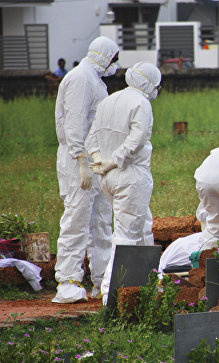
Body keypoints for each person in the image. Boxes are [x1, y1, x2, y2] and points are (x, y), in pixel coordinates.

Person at [85, 62, 161, 305]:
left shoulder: (109, 100)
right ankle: (110, 297)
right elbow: (136, 140)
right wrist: (114, 161)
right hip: (130, 175)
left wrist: (100, 162)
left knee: (143, 225)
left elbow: (91, 138)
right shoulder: (141, 103)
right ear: (148, 83)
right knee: (126, 235)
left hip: (108, 178)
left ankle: (150, 283)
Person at [53, 36, 120, 303]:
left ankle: (102, 279)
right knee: (77, 221)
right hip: (78, 162)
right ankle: (68, 281)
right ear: (104, 56)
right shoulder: (81, 78)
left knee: (100, 222)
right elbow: (75, 123)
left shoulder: (94, 80)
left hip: (95, 162)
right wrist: (81, 161)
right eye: (113, 59)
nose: (115, 65)